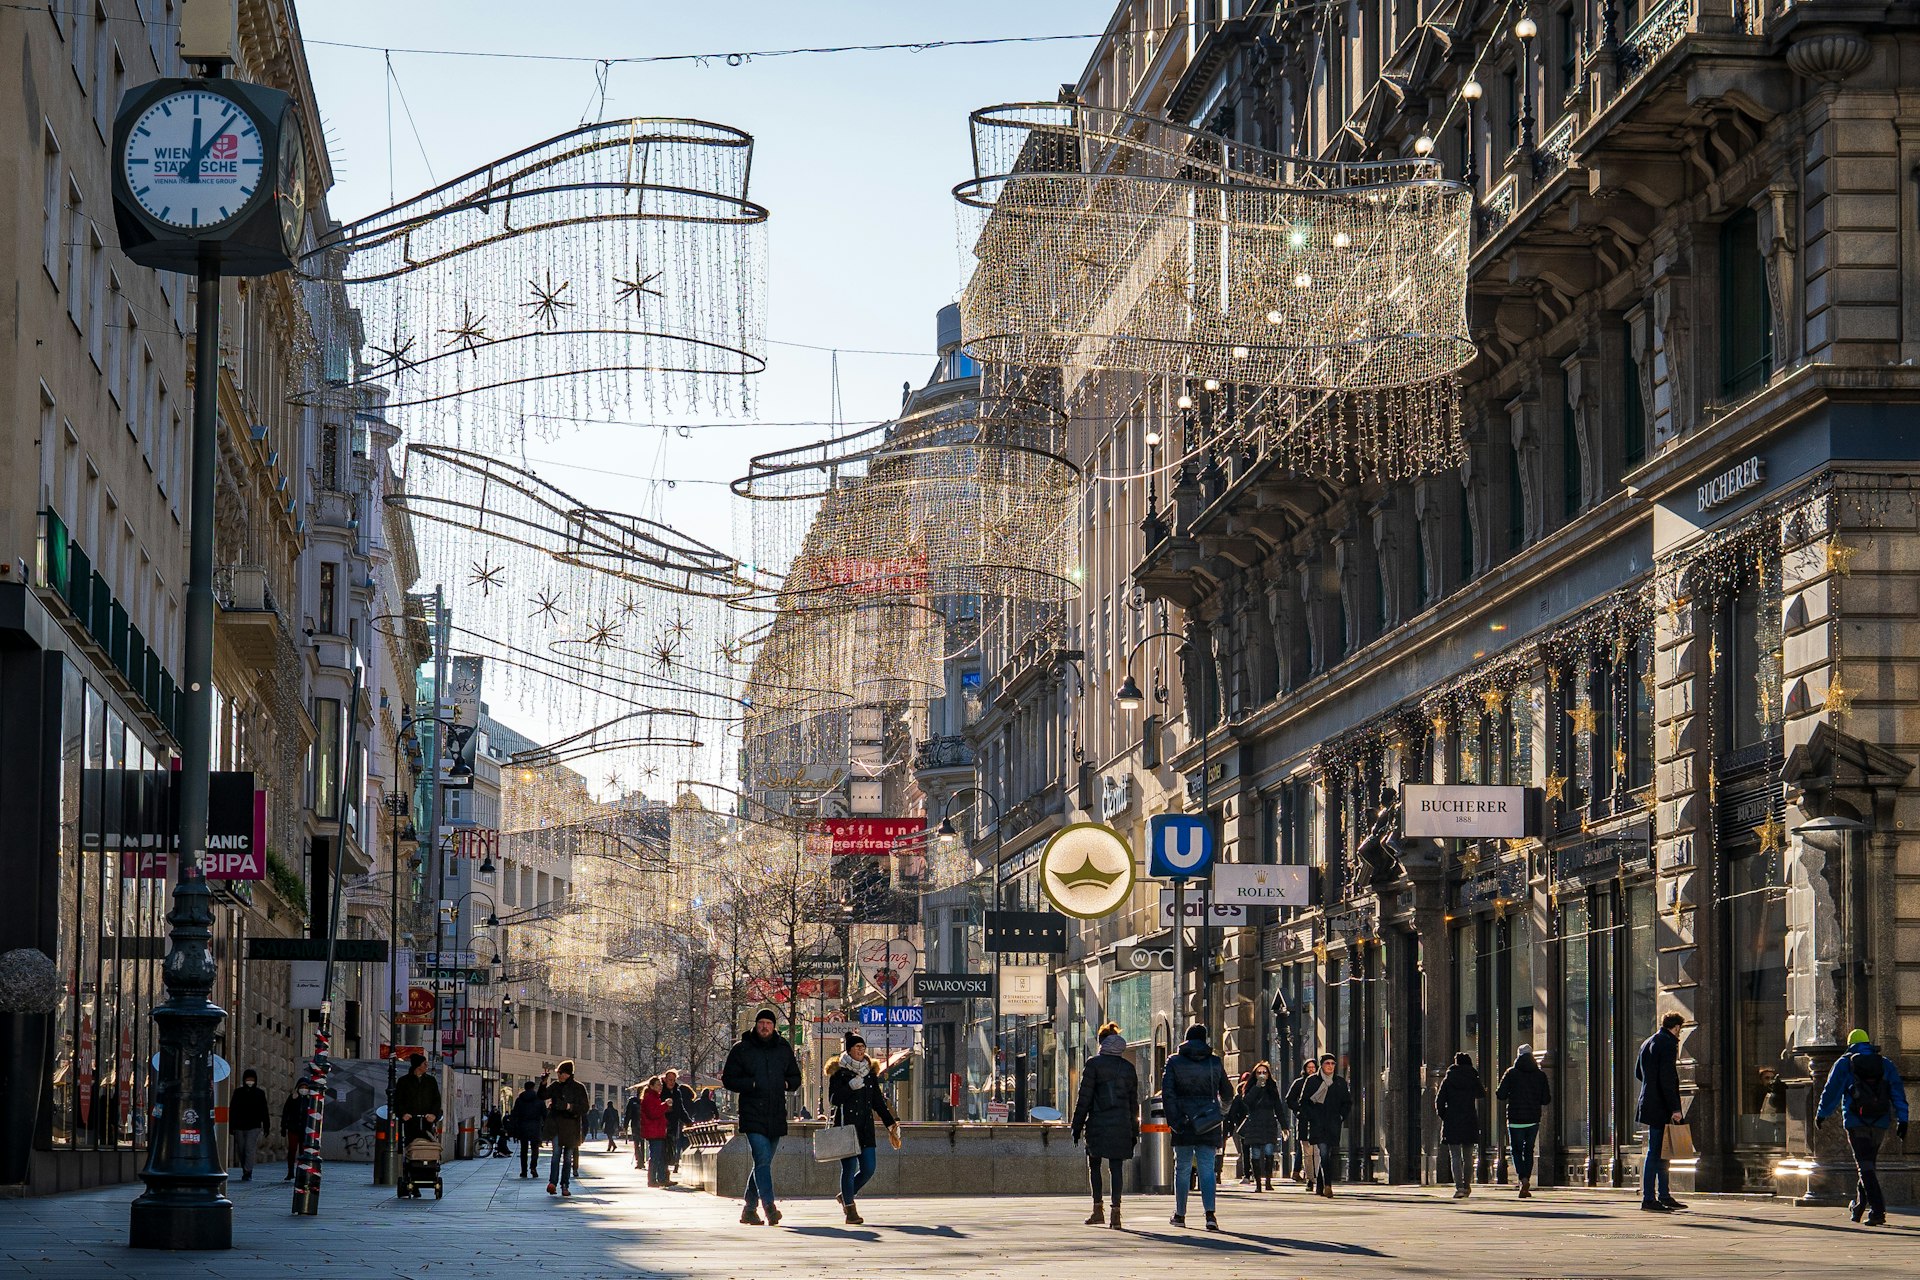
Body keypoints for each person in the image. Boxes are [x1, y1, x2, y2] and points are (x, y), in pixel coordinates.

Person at [1816, 1027, 1910, 1227]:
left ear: (1850, 1044)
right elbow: (1897, 1092)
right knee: (1867, 1165)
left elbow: (1831, 1091)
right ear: (1868, 1043)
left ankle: (1877, 1211)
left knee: (1865, 1166)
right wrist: (1903, 1119)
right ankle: (1858, 1207)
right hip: (1880, 1123)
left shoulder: (1844, 1063)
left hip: (1856, 1122)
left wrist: (1821, 1114)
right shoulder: (1885, 1063)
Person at [720, 1009, 802, 1226]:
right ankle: (769, 1207)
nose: (765, 1026)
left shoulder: (783, 1048)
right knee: (763, 1158)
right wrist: (752, 1084)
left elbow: (796, 1077)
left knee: (762, 1163)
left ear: (774, 1026)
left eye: (768, 1023)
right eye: (761, 1023)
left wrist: (786, 1083)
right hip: (752, 1113)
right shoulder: (742, 1048)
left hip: (776, 1114)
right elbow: (728, 1079)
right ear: (756, 1025)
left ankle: (749, 1210)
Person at [1161, 1024, 1231, 1231]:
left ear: (1186, 1039)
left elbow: (1167, 1094)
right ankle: (1210, 1215)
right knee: (1207, 1168)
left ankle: (1180, 1214)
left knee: (1182, 1168)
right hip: (1208, 1121)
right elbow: (1228, 1093)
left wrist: (1174, 1121)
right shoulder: (1214, 1061)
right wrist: (1220, 1113)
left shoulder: (1174, 1061)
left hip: (1183, 1121)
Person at [1071, 1020, 1139, 1229]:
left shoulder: (1093, 1064)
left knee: (1094, 1165)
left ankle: (1097, 1209)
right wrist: (1134, 1131)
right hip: (1121, 1124)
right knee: (1116, 1167)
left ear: (1101, 1043)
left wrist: (1076, 1125)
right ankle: (1116, 1213)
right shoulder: (1128, 1068)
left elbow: (1084, 1098)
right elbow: (1133, 1103)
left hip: (1098, 1124)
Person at [826, 1032, 899, 1224]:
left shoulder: (870, 1073)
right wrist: (850, 1087)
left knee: (869, 1168)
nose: (861, 1050)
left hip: (865, 1128)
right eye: (857, 1047)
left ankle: (846, 1194)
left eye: (863, 1047)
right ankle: (850, 1210)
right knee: (849, 1168)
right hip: (846, 1127)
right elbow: (833, 1099)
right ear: (849, 1049)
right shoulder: (839, 1072)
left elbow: (878, 1102)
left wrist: (890, 1123)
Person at [1634, 1012, 1688, 1213]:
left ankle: (1663, 1195)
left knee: (1662, 1151)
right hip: (1661, 1105)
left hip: (1649, 1102)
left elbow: (1638, 1073)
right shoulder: (1667, 1044)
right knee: (1656, 1152)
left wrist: (1651, 1086)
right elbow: (1667, 1079)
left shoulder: (1647, 1042)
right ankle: (1649, 1198)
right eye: (1680, 1030)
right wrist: (1675, 1108)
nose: (1679, 1034)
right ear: (1676, 1027)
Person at [1495, 1044, 1552, 1199]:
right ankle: (1526, 1180)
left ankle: (1523, 1179)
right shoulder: (1540, 1075)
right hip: (1533, 1119)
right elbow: (1546, 1099)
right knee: (1529, 1150)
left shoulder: (1511, 1073)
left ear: (1518, 1056)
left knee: (1516, 1150)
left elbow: (1500, 1094)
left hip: (1515, 1119)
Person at [1298, 1054, 1351, 1198]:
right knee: (1323, 1152)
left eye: (1333, 1063)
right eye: (1327, 1063)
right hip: (1318, 1124)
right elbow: (1303, 1102)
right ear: (1321, 1065)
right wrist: (1311, 1116)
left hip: (1333, 1124)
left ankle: (1320, 1186)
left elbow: (1347, 1102)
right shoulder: (1312, 1081)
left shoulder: (1339, 1082)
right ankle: (1328, 1185)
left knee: (1327, 1154)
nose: (1330, 1066)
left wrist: (1341, 1116)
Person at [1227, 1060, 1284, 1193]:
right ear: (1255, 1074)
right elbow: (1247, 1101)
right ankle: (1258, 1184)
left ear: (1268, 1074)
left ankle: (1268, 1181)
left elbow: (1278, 1107)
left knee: (1269, 1152)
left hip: (1269, 1123)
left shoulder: (1272, 1087)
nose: (1262, 1075)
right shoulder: (1250, 1086)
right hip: (1254, 1123)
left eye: (1264, 1072)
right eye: (1259, 1073)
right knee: (1256, 1153)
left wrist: (1284, 1126)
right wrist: (1257, 1086)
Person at [1434, 1052, 1484, 1199]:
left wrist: (1445, 1116)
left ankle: (1459, 1187)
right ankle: (1467, 1186)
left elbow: (1439, 1102)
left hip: (1452, 1120)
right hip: (1469, 1119)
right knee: (1468, 1156)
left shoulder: (1448, 1079)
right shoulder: (1472, 1077)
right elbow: (1481, 1093)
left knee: (1455, 1156)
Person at [542, 1059, 591, 1197]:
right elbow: (542, 1095)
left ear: (567, 1074)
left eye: (560, 1073)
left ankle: (565, 1184)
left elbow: (584, 1108)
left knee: (568, 1157)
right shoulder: (556, 1086)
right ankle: (552, 1183)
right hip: (557, 1126)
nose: (558, 1076)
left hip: (571, 1127)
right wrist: (544, 1082)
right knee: (556, 1155)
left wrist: (569, 1106)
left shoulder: (579, 1088)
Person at [393, 1054, 442, 1150]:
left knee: (428, 1143)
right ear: (418, 1065)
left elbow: (436, 1099)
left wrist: (433, 1114)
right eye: (424, 1064)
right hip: (410, 1120)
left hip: (427, 1120)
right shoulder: (403, 1081)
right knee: (410, 1144)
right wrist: (403, 1114)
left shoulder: (431, 1081)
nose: (427, 1066)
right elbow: (398, 1100)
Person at [228, 1068, 269, 1182]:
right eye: (248, 1079)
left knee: (249, 1149)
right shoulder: (238, 1092)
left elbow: (264, 1110)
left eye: (252, 1079)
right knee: (241, 1150)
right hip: (239, 1126)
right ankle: (244, 1168)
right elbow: (233, 1109)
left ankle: (248, 1171)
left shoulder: (260, 1093)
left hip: (254, 1126)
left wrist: (266, 1125)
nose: (250, 1081)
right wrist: (231, 1126)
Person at [1283, 1058, 1317, 1185]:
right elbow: (1289, 1099)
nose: (1311, 1069)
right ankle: (1309, 1177)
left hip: (1318, 1120)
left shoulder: (1321, 1082)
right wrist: (1299, 1109)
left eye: (1313, 1067)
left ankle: (1314, 1176)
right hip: (1304, 1120)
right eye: (1309, 1067)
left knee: (1316, 1151)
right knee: (1306, 1150)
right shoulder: (1299, 1083)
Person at [639, 1076, 672, 1187]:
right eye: (658, 1084)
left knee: (660, 1156)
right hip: (654, 1131)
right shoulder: (650, 1098)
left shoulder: (654, 1097)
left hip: (657, 1130)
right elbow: (653, 1113)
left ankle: (661, 1178)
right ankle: (652, 1179)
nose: (660, 1087)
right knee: (656, 1156)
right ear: (651, 1086)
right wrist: (665, 1105)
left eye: (660, 1085)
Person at [509, 1079, 546, 1179]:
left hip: (523, 1126)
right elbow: (545, 1114)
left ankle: (523, 1171)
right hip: (535, 1126)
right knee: (535, 1149)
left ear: (525, 1088)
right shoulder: (539, 1099)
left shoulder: (519, 1100)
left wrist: (512, 1128)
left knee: (523, 1150)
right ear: (533, 1088)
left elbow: (515, 1114)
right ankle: (533, 1167)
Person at [662, 1069, 695, 1176]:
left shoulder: (677, 1092)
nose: (671, 1082)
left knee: (670, 1150)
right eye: (669, 1080)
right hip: (661, 1125)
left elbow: (680, 1109)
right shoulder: (661, 1091)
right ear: (665, 1079)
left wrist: (688, 1121)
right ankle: (661, 1176)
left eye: (673, 1080)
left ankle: (665, 1175)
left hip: (673, 1125)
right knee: (661, 1151)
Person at [282, 1082, 312, 1181]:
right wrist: (283, 1127)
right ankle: (290, 1171)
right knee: (292, 1150)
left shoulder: (310, 1099)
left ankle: (302, 1172)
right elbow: (286, 1112)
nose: (304, 1089)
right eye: (302, 1087)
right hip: (293, 1128)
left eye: (306, 1087)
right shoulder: (293, 1098)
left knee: (303, 1151)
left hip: (305, 1129)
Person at [625, 1084, 646, 1169]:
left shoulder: (632, 1101)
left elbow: (628, 1114)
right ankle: (642, 1160)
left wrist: (625, 1125)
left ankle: (639, 1161)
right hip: (643, 1125)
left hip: (636, 1125)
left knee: (637, 1143)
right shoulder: (645, 1100)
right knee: (642, 1143)